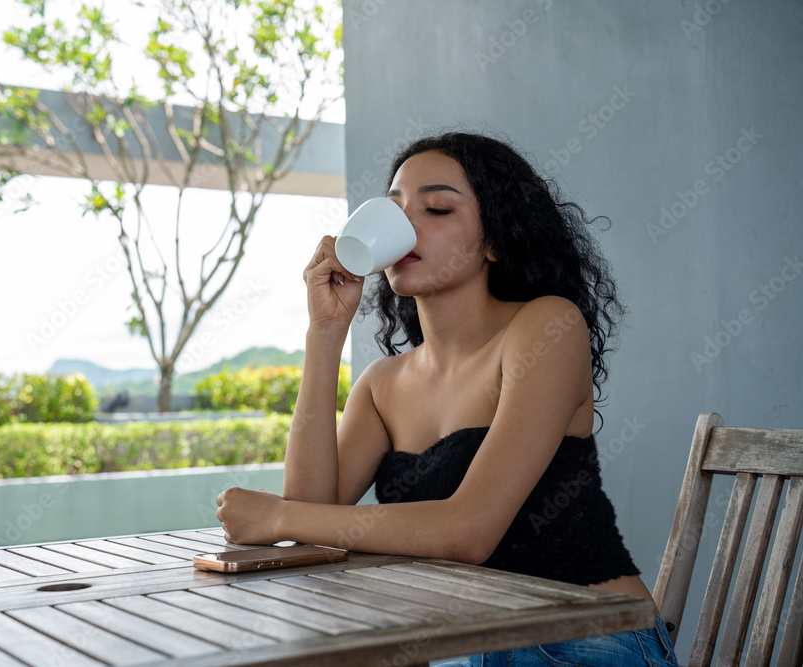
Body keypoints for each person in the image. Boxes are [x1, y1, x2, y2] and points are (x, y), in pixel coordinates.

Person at [215, 132, 678, 665]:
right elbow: (311, 509)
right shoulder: (382, 384)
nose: (405, 225)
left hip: (586, 642)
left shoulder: (547, 326)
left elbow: (468, 533)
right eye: (392, 210)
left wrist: (277, 518)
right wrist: (325, 334)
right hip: (467, 642)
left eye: (436, 208)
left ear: (495, 240)